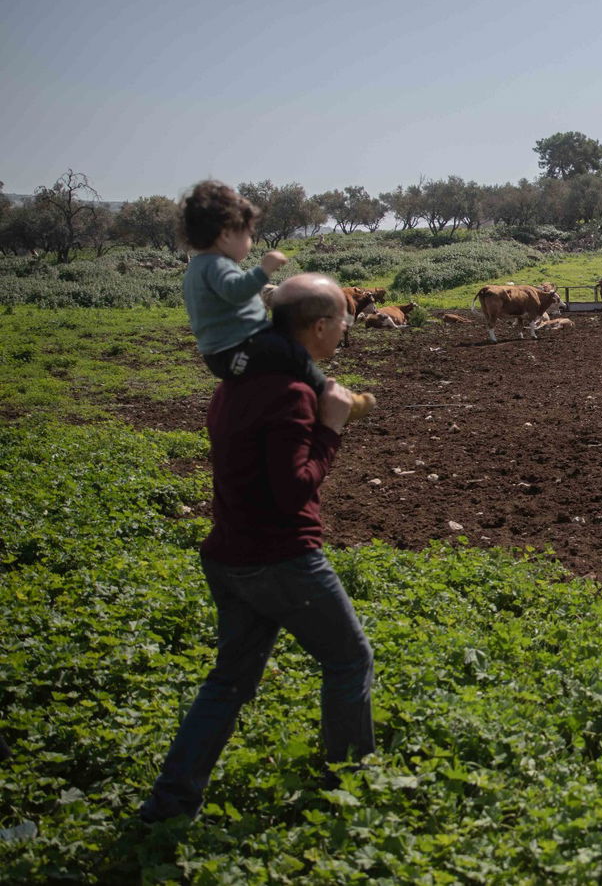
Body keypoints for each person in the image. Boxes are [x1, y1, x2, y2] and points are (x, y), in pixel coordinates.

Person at [140, 272, 375, 823]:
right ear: (320, 326)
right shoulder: (290, 393)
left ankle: (170, 804)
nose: (347, 328)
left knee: (229, 681)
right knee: (349, 659)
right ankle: (348, 791)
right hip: (282, 557)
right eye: (343, 320)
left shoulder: (235, 381)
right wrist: (331, 428)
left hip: (229, 553)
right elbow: (292, 489)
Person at [180, 180, 373, 419]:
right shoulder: (217, 265)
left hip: (223, 351)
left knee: (280, 363)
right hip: (237, 349)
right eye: (248, 235)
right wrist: (263, 270)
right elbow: (236, 291)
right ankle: (330, 398)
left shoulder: (198, 267)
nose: (250, 242)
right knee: (293, 354)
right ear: (227, 235)